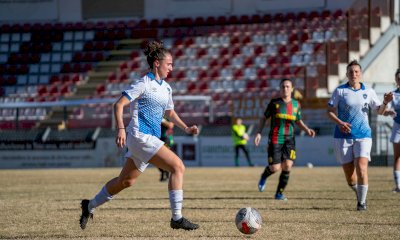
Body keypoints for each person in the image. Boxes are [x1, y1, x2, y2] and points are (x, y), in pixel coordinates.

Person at [79, 40, 199, 230]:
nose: (172, 68)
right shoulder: (143, 83)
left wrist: (186, 128)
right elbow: (118, 105)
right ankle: (177, 218)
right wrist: (120, 128)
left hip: (146, 139)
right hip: (140, 136)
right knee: (178, 167)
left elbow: (169, 112)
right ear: (157, 63)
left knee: (125, 181)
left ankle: (89, 205)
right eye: (169, 64)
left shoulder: (166, 88)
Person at [327, 60, 393, 211]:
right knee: (350, 177)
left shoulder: (368, 92)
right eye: (351, 72)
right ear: (347, 74)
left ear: (361, 74)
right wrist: (340, 122)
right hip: (342, 137)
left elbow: (380, 111)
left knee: (362, 168)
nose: (354, 74)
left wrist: (385, 102)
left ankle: (361, 203)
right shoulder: (340, 91)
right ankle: (358, 191)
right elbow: (329, 111)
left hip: (363, 135)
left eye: (356, 72)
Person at [255, 78, 316, 201]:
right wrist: (259, 133)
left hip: (290, 139)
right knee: (275, 168)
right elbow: (263, 118)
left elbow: (298, 120)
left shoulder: (296, 104)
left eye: (288, 86)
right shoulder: (274, 103)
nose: (285, 88)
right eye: (283, 86)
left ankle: (279, 194)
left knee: (288, 165)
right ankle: (264, 175)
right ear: (280, 89)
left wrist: (307, 129)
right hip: (275, 139)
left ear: (292, 89)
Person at [386, 69, 400, 192]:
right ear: (396, 80)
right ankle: (398, 186)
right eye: (398, 78)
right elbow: (385, 110)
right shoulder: (393, 95)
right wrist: (388, 111)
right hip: (397, 127)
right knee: (397, 157)